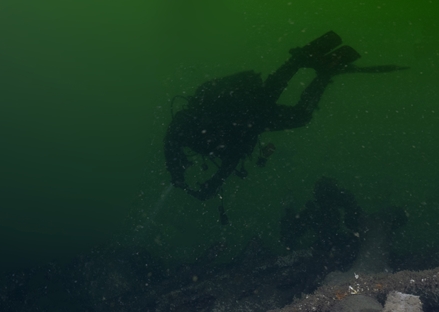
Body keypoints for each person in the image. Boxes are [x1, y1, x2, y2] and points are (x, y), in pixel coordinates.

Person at [164, 32, 404, 220]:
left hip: (243, 113)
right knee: (294, 111)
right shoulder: (210, 140)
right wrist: (206, 183)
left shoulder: (191, 128)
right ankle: (317, 70)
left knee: (272, 97)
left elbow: (174, 141)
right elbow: (227, 160)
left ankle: (305, 62)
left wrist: (179, 175)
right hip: (250, 119)